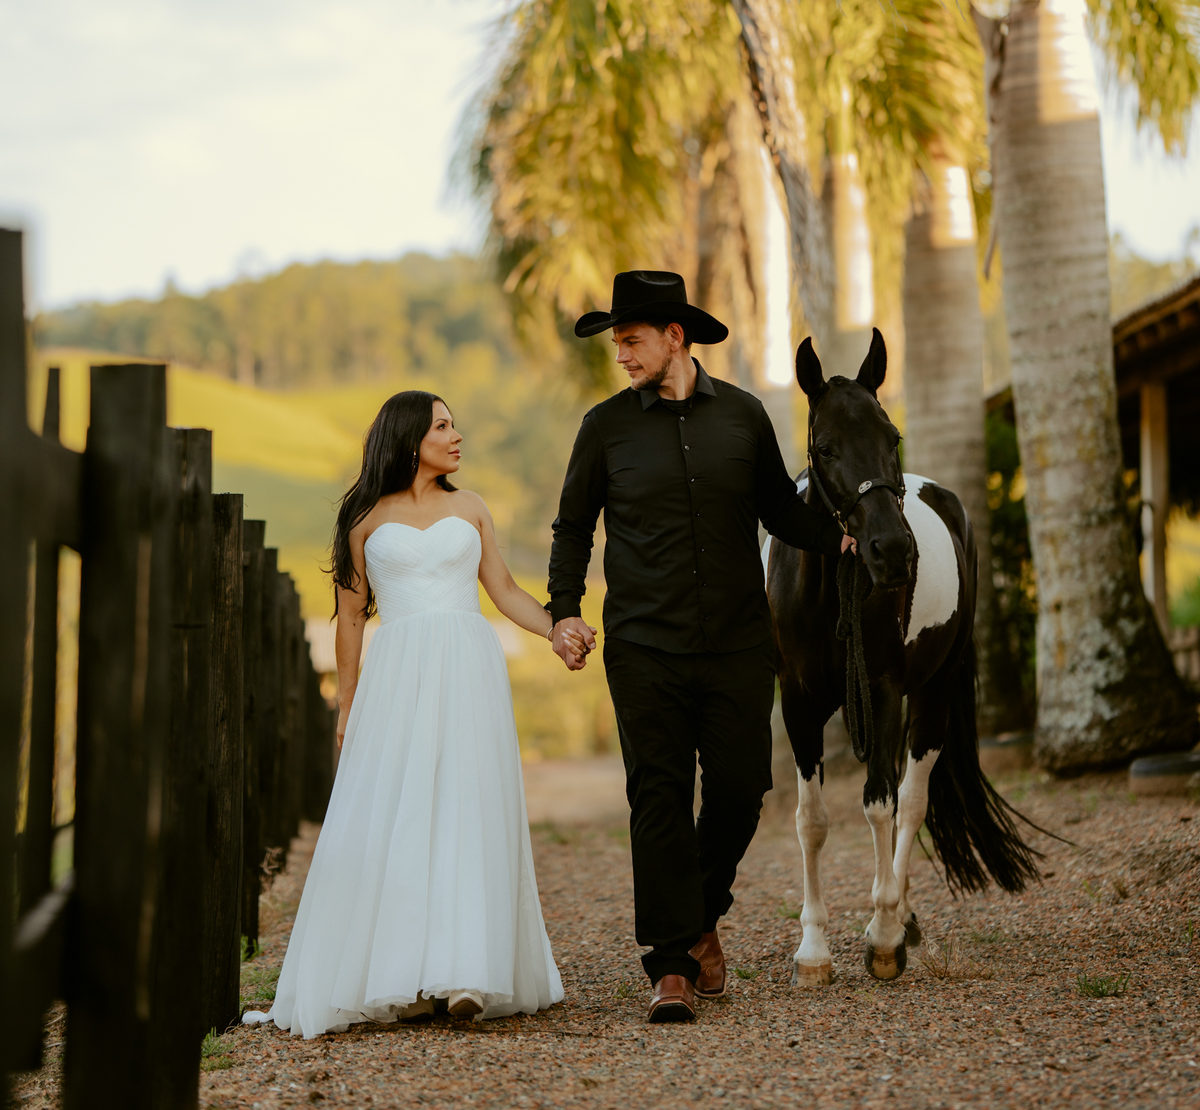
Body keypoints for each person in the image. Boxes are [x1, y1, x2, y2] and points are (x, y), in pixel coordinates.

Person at [546, 271, 853, 1023]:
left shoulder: (745, 418)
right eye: (616, 343)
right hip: (645, 646)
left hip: (740, 644)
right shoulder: (604, 428)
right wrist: (563, 613)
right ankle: (672, 965)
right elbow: (572, 529)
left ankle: (699, 913)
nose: (620, 355)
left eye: (630, 340)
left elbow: (781, 509)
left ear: (674, 337)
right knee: (657, 798)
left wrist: (842, 538)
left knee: (743, 790)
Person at [244, 390, 577, 1037]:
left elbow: (504, 592)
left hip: (468, 668)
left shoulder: (471, 507)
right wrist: (348, 702)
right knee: (400, 814)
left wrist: (556, 632)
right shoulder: (364, 518)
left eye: (455, 424)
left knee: (465, 807)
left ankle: (465, 973)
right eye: (443, 426)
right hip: (396, 676)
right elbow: (348, 618)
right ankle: (404, 970)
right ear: (408, 438)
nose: (457, 436)